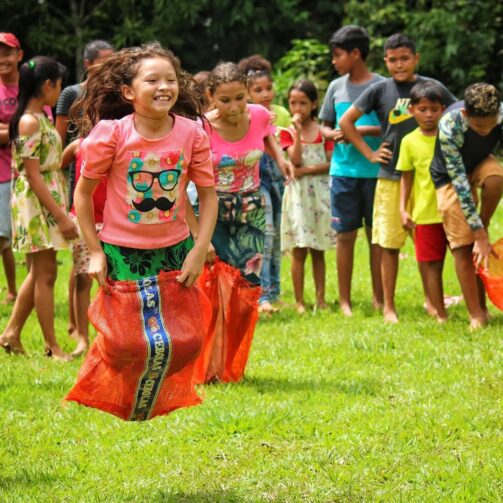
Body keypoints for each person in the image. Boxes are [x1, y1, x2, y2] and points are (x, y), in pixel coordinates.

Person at [67, 43, 218, 419]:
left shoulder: (192, 134)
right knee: (124, 343)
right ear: (129, 92)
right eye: (152, 80)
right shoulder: (112, 134)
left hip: (174, 248)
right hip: (121, 248)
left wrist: (199, 248)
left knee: (189, 339)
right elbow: (83, 195)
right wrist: (96, 251)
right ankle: (107, 380)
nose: (163, 86)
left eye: (170, 79)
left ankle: (160, 399)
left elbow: (209, 196)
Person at [339, 33, 456, 323]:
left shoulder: (431, 87)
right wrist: (369, 154)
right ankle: (389, 306)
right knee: (389, 243)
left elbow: (457, 111)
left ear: (416, 58)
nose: (399, 64)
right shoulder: (380, 89)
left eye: (405, 58)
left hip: (430, 177)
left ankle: (432, 301)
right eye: (393, 60)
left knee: (429, 244)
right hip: (391, 176)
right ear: (385, 62)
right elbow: (345, 122)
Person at [0, 56, 78, 360]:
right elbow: (32, 175)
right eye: (59, 85)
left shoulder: (40, 116)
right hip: (37, 202)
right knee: (45, 274)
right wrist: (60, 215)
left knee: (40, 273)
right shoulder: (31, 121)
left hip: (45, 196)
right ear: (48, 85)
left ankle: (11, 332)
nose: (60, 91)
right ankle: (52, 346)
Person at [205, 62, 293, 286]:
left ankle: (245, 320)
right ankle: (218, 322)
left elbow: (266, 135)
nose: (234, 107)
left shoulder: (260, 115)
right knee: (217, 277)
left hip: (251, 205)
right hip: (213, 207)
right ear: (211, 96)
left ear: (247, 91)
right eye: (225, 100)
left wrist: (280, 159)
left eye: (240, 97)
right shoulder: (202, 127)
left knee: (250, 278)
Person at [319, 25, 384, 316]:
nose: (334, 61)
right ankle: (344, 301)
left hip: (376, 172)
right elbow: (324, 124)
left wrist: (357, 130)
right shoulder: (335, 87)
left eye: (338, 55)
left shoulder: (382, 86)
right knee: (345, 236)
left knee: (376, 236)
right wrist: (332, 133)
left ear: (356, 54)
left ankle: (379, 297)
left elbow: (391, 126)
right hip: (343, 171)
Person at [430, 83, 503, 329]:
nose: (487, 131)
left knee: (496, 178)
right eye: (480, 126)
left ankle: (482, 223)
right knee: (463, 244)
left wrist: (480, 227)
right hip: (450, 176)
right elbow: (460, 182)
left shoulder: (499, 115)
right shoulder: (450, 125)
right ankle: (476, 314)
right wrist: (478, 235)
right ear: (465, 115)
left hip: (480, 162)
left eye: (492, 125)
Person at [55, 39, 113, 340]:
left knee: (98, 269)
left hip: (109, 207)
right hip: (80, 189)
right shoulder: (72, 94)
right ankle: (78, 331)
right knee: (81, 269)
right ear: (89, 63)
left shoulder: (115, 96)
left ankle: (93, 329)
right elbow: (58, 150)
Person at [238, 55, 291, 313]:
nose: (265, 93)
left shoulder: (280, 113)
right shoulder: (247, 116)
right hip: (255, 175)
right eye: (258, 90)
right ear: (246, 92)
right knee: (265, 235)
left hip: (277, 175)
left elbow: (283, 142)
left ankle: (275, 291)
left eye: (268, 88)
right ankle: (262, 296)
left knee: (278, 235)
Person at [280, 79, 336, 314]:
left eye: (303, 103)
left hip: (320, 195)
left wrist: (305, 172)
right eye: (293, 103)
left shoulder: (325, 134)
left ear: (314, 104)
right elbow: (296, 161)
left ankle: (321, 299)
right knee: (299, 249)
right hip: (298, 198)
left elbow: (330, 163)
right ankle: (300, 301)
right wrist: (297, 133)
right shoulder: (286, 134)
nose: (298, 108)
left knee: (318, 249)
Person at [397, 81, 448, 322]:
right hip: (425, 213)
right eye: (423, 109)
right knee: (432, 265)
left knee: (466, 262)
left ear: (443, 109)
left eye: (434, 109)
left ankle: (477, 308)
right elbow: (406, 178)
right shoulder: (408, 141)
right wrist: (402, 209)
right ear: (412, 110)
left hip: (452, 211)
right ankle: (440, 313)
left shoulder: (450, 136)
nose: (429, 115)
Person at [0, 33, 23, 304]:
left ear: (19, 55)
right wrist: (20, 127)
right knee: (2, 235)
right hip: (3, 174)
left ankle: (14, 290)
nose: (2, 59)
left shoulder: (28, 85)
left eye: (7, 52)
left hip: (28, 172)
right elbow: (28, 126)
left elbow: (41, 123)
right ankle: (12, 290)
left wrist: (9, 129)